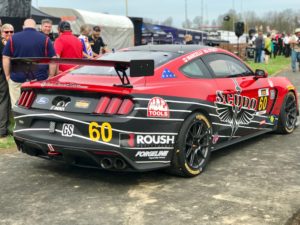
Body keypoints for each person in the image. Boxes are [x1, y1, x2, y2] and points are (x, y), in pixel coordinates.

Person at [2, 19, 56, 107]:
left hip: (17, 77)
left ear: (24, 26)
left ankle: (19, 120)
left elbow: (5, 57)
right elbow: (53, 59)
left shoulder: (13, 38)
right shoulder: (45, 39)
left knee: (17, 106)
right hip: (39, 78)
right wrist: (51, 75)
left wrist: (7, 75)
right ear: (35, 27)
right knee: (37, 105)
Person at [0, 24, 14, 138]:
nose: (9, 33)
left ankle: (5, 127)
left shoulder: (11, 43)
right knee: (4, 101)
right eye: (6, 32)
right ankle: (2, 129)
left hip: (7, 75)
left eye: (11, 31)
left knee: (6, 101)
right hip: (3, 75)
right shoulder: (4, 43)